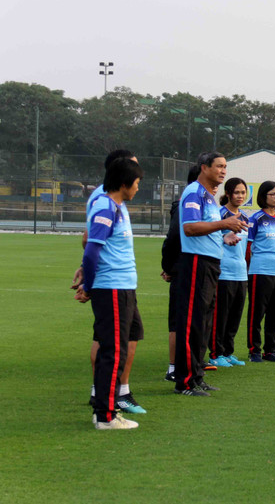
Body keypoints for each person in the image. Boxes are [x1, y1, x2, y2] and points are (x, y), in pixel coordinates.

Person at [71, 149, 146, 415]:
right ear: (124, 182)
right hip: (111, 287)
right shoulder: (104, 205)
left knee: (118, 350)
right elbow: (92, 249)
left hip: (121, 286)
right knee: (112, 353)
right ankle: (105, 414)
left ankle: (109, 408)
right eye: (136, 182)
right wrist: (88, 285)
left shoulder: (117, 206)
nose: (139, 187)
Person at [174, 152, 247, 395]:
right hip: (196, 263)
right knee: (192, 323)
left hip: (211, 263)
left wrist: (224, 235)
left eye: (225, 167)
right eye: (218, 166)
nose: (223, 171)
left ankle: (197, 376)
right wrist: (224, 224)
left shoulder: (209, 197)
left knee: (204, 323)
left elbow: (207, 229)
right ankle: (184, 382)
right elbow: (190, 227)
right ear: (204, 168)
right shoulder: (194, 192)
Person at [162, 165, 201, 381]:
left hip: (198, 269)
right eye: (219, 168)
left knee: (195, 320)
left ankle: (192, 365)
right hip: (184, 269)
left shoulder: (205, 200)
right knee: (179, 321)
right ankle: (175, 368)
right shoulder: (187, 202)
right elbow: (175, 237)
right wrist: (169, 267)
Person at [209, 177, 250, 367]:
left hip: (241, 273)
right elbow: (208, 239)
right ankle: (216, 353)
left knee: (235, 316)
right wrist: (223, 236)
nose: (240, 196)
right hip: (223, 273)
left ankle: (228, 351)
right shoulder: (219, 214)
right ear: (228, 194)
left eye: (243, 192)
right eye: (236, 192)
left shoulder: (245, 218)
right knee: (221, 316)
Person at [246, 181, 275, 363]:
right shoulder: (256, 219)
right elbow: (248, 247)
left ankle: (270, 350)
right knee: (256, 313)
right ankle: (254, 350)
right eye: (273, 194)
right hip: (259, 271)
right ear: (264, 196)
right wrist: (249, 268)